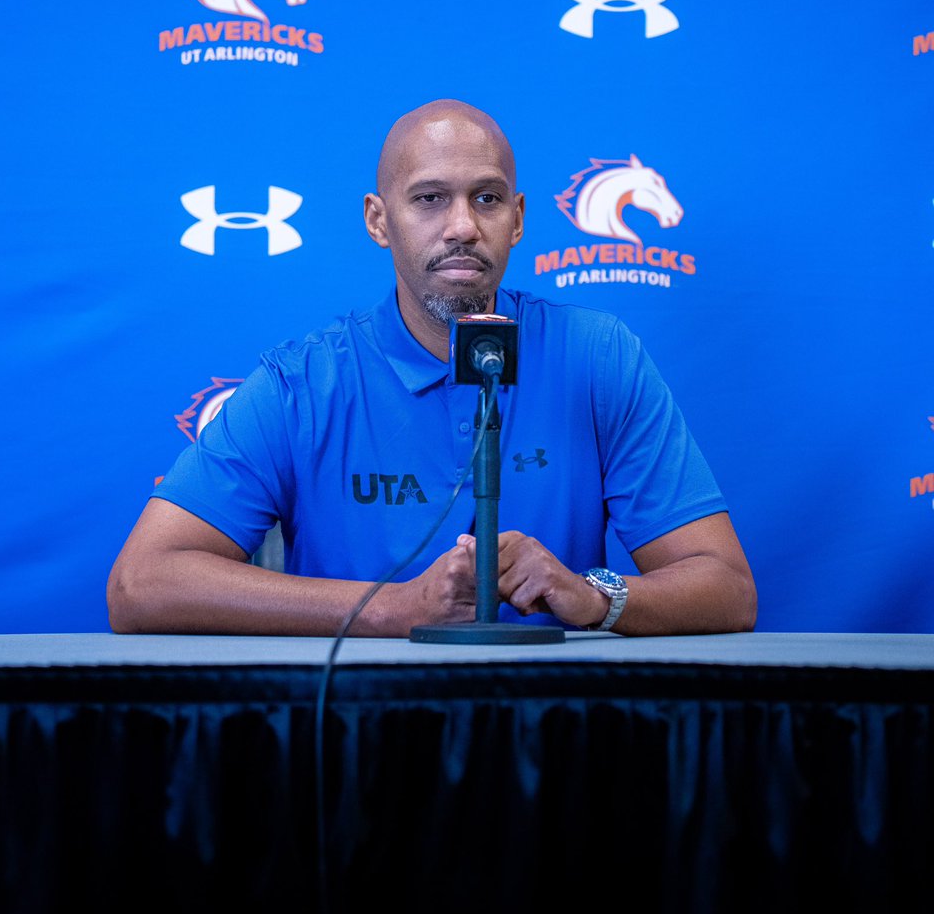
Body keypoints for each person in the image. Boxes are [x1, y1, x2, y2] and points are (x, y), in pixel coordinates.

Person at [108, 100, 755, 637]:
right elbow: (140, 584)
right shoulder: (303, 382)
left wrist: (594, 594)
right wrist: (395, 608)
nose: (462, 227)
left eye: (487, 198)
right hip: (354, 737)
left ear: (520, 219)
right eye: (429, 199)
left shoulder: (597, 354)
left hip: (557, 739)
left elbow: (726, 588)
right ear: (378, 220)